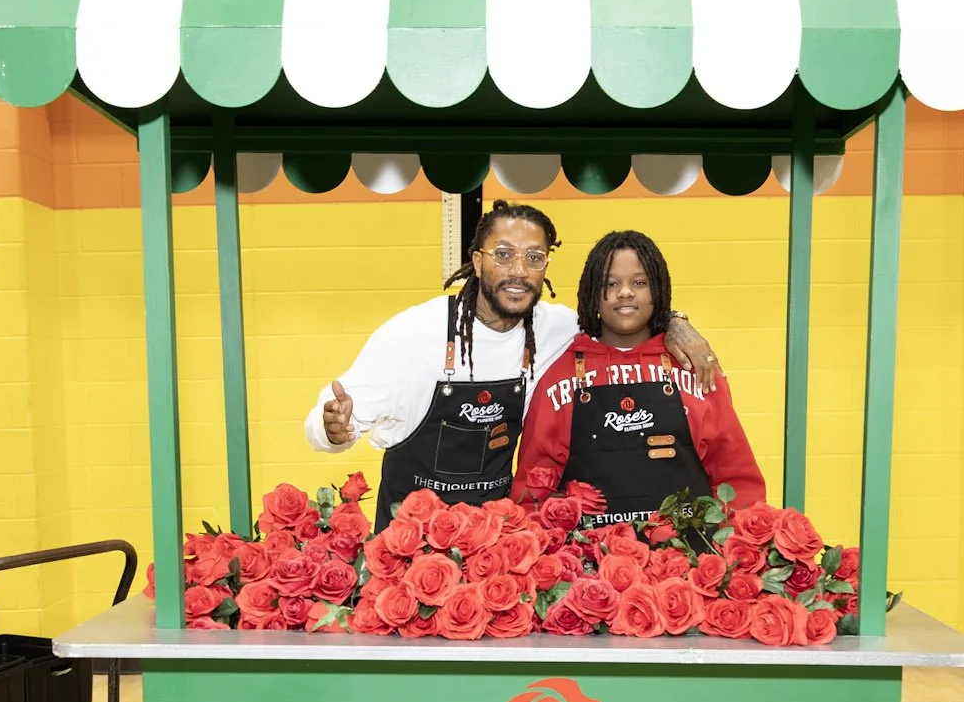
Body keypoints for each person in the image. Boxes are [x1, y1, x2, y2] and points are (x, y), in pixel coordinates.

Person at [305, 201, 723, 531]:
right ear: (477, 260)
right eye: (503, 255)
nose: (519, 271)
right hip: (411, 545)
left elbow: (622, 318)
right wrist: (332, 429)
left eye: (534, 257)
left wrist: (674, 321)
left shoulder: (557, 328)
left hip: (495, 546)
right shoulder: (413, 334)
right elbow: (327, 423)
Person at [512, 229, 765, 525]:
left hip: (687, 551)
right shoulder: (558, 377)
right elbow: (531, 492)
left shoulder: (694, 367)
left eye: (639, 282)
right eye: (610, 283)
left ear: (658, 290)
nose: (625, 292)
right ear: (592, 294)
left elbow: (737, 479)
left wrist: (736, 542)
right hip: (589, 552)